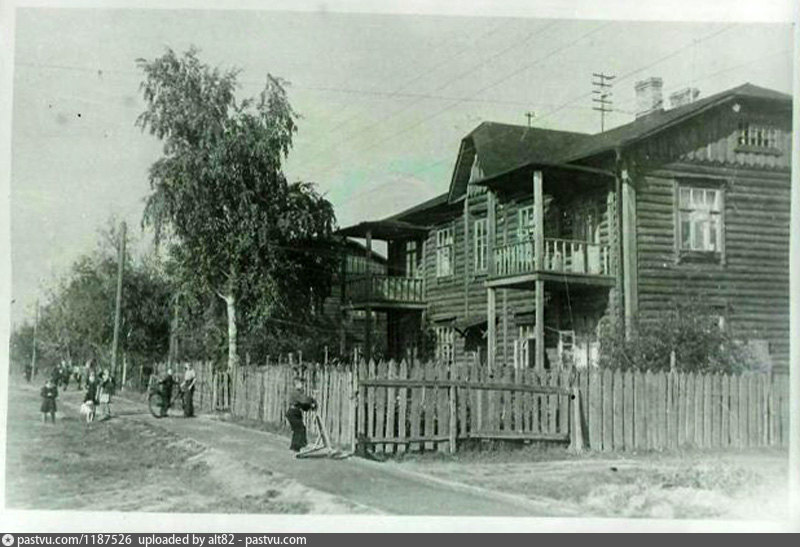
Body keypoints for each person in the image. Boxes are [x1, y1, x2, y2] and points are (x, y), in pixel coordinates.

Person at [285, 376, 316, 452]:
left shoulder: (299, 393)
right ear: (296, 384)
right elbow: (304, 400)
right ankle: (296, 447)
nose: (302, 385)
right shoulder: (295, 392)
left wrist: (311, 406)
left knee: (299, 429)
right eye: (301, 384)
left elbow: (303, 406)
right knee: (299, 429)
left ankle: (295, 447)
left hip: (295, 413)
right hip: (293, 413)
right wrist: (312, 399)